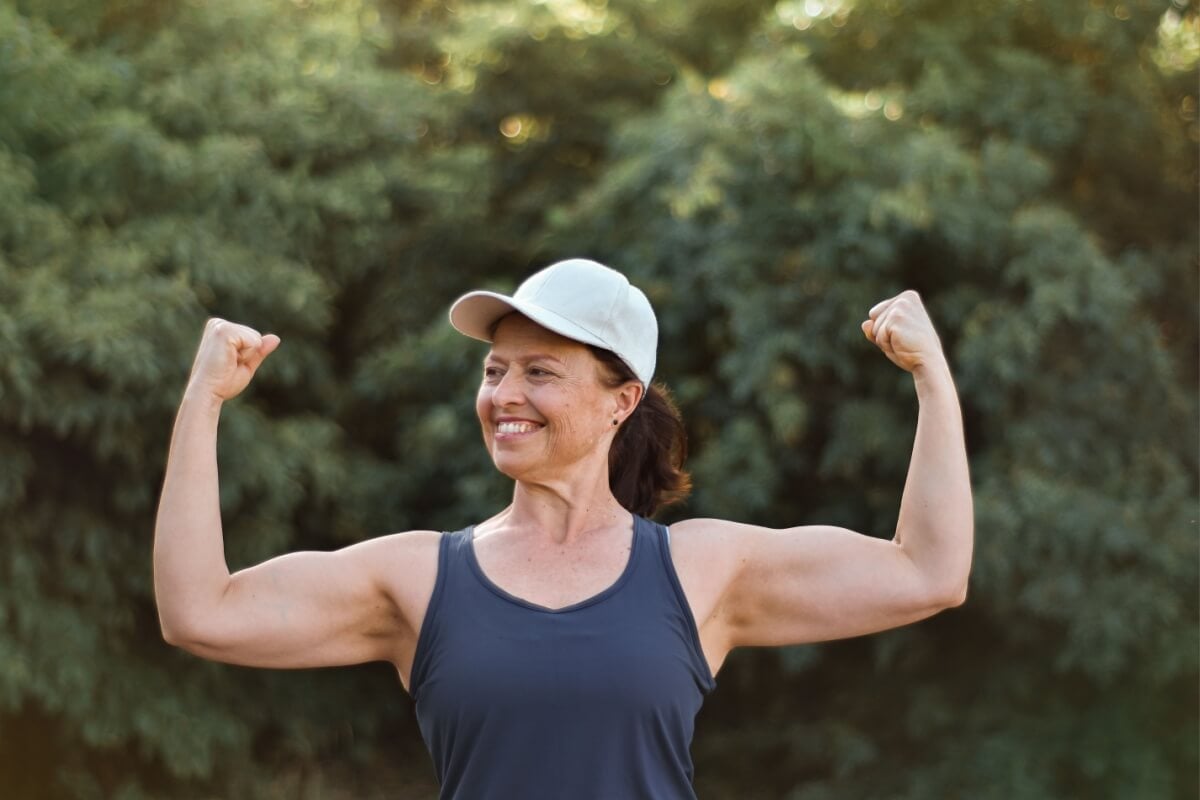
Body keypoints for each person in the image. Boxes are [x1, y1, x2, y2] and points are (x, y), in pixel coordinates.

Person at [154, 258, 972, 799]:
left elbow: (929, 573)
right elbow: (201, 611)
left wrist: (933, 380)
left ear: (621, 402)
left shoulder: (702, 573)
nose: (504, 393)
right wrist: (203, 403)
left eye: (540, 371)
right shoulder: (416, 580)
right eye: (494, 369)